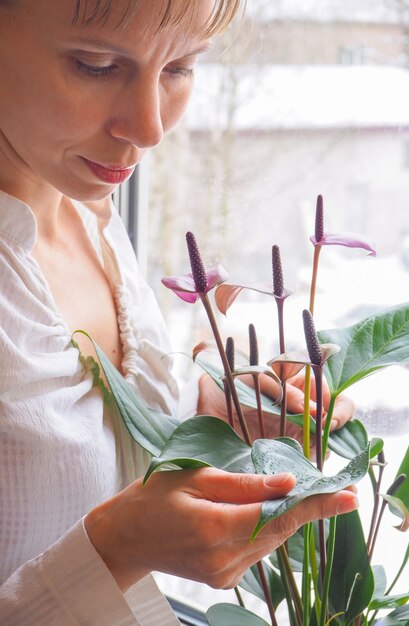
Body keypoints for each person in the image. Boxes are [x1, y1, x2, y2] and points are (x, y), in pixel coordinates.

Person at [0, 0, 358, 624]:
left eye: (180, 67)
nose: (149, 127)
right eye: (95, 65)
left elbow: (105, 433)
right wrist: (116, 549)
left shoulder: (91, 216)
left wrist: (223, 414)